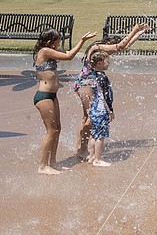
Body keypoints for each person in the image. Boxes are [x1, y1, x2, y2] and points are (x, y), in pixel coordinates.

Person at [73, 22, 149, 160]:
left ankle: (81, 148)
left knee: (87, 117)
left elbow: (124, 46)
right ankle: (82, 150)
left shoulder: (99, 50)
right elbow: (120, 46)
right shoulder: (97, 47)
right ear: (108, 44)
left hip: (87, 84)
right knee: (90, 118)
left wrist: (140, 33)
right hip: (86, 85)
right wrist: (134, 29)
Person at [33, 28, 96, 175]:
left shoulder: (50, 52)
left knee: (57, 129)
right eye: (58, 40)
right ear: (50, 41)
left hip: (52, 96)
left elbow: (66, 54)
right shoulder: (44, 51)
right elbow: (68, 56)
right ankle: (42, 166)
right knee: (51, 131)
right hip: (43, 96)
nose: (59, 43)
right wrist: (83, 40)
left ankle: (52, 162)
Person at [87, 50, 114, 167]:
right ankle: (97, 159)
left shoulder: (93, 75)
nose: (109, 63)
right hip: (102, 108)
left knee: (94, 133)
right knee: (101, 135)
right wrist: (110, 111)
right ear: (99, 63)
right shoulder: (102, 77)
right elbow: (106, 96)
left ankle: (91, 156)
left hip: (94, 108)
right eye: (107, 61)